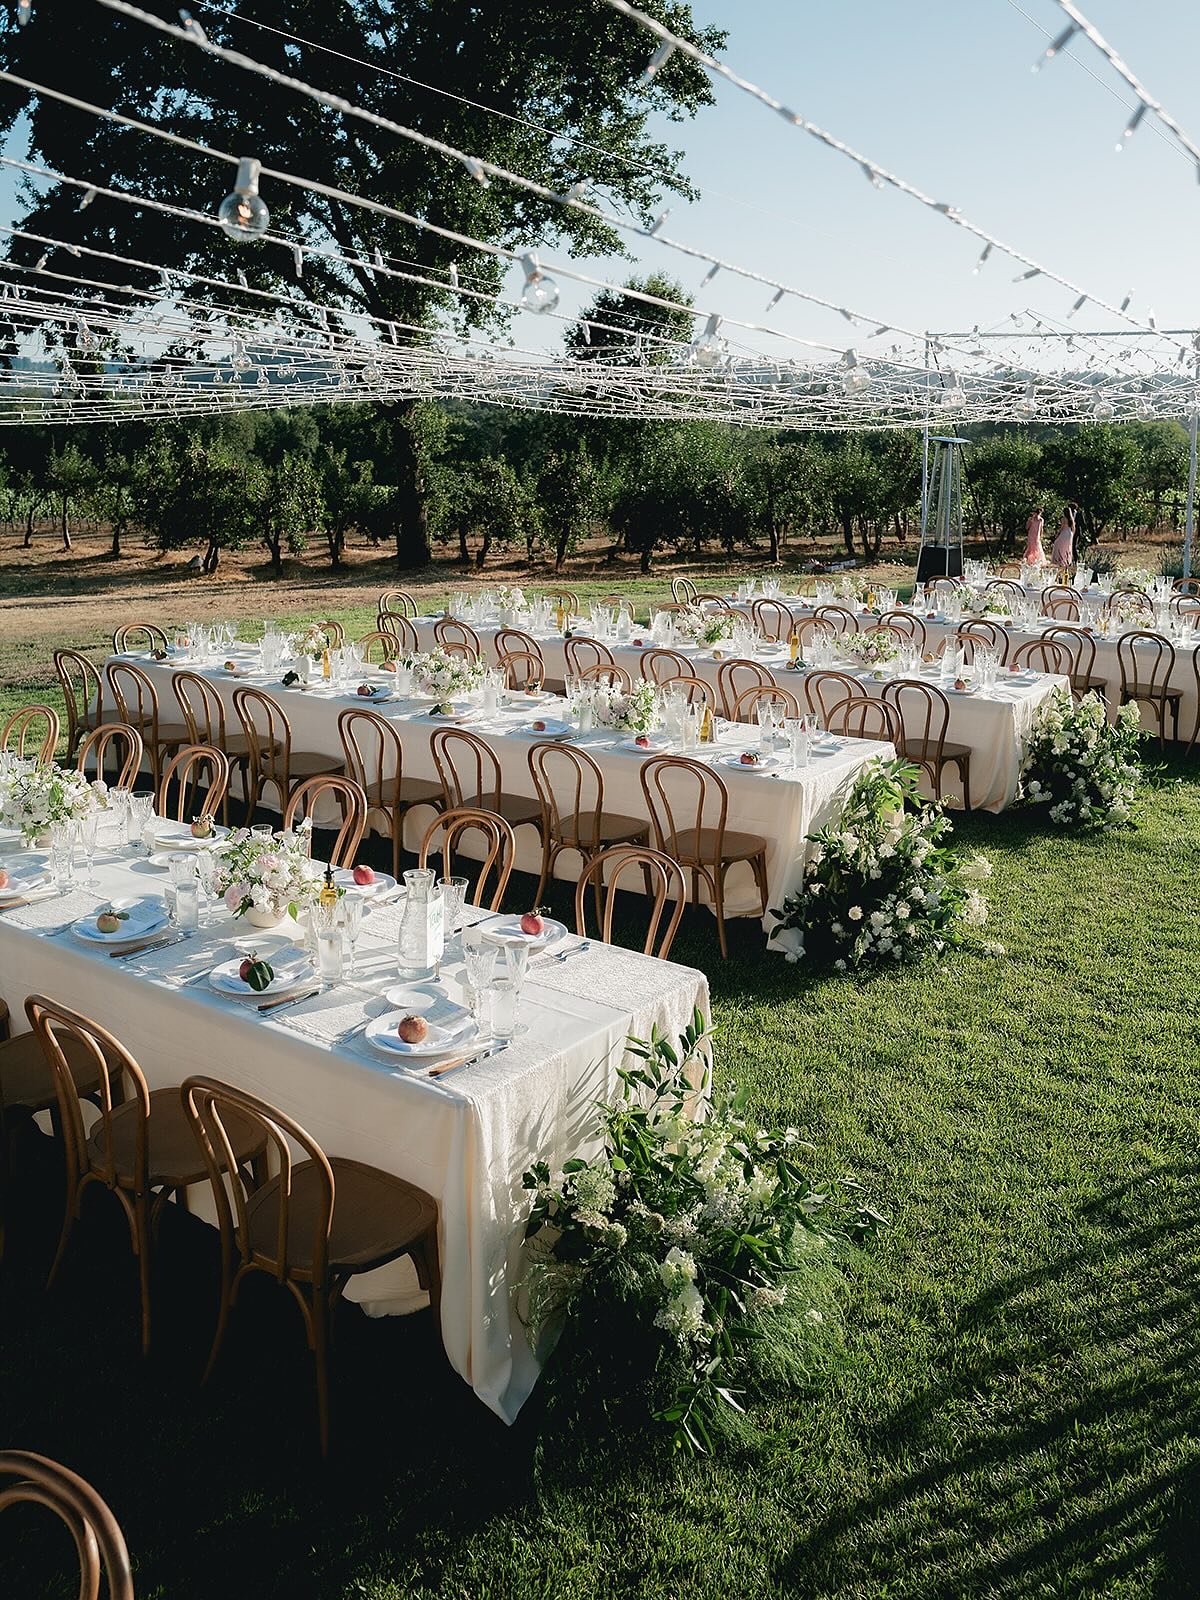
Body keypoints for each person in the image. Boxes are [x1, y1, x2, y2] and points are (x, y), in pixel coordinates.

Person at [1051, 504, 1076, 570]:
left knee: (1058, 544)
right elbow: (1073, 528)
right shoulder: (1071, 519)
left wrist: (1057, 534)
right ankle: (1065, 560)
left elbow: (1062, 527)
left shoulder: (1063, 518)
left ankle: (1058, 559)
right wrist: (1072, 534)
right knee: (1067, 547)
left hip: (1064, 532)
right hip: (1069, 533)